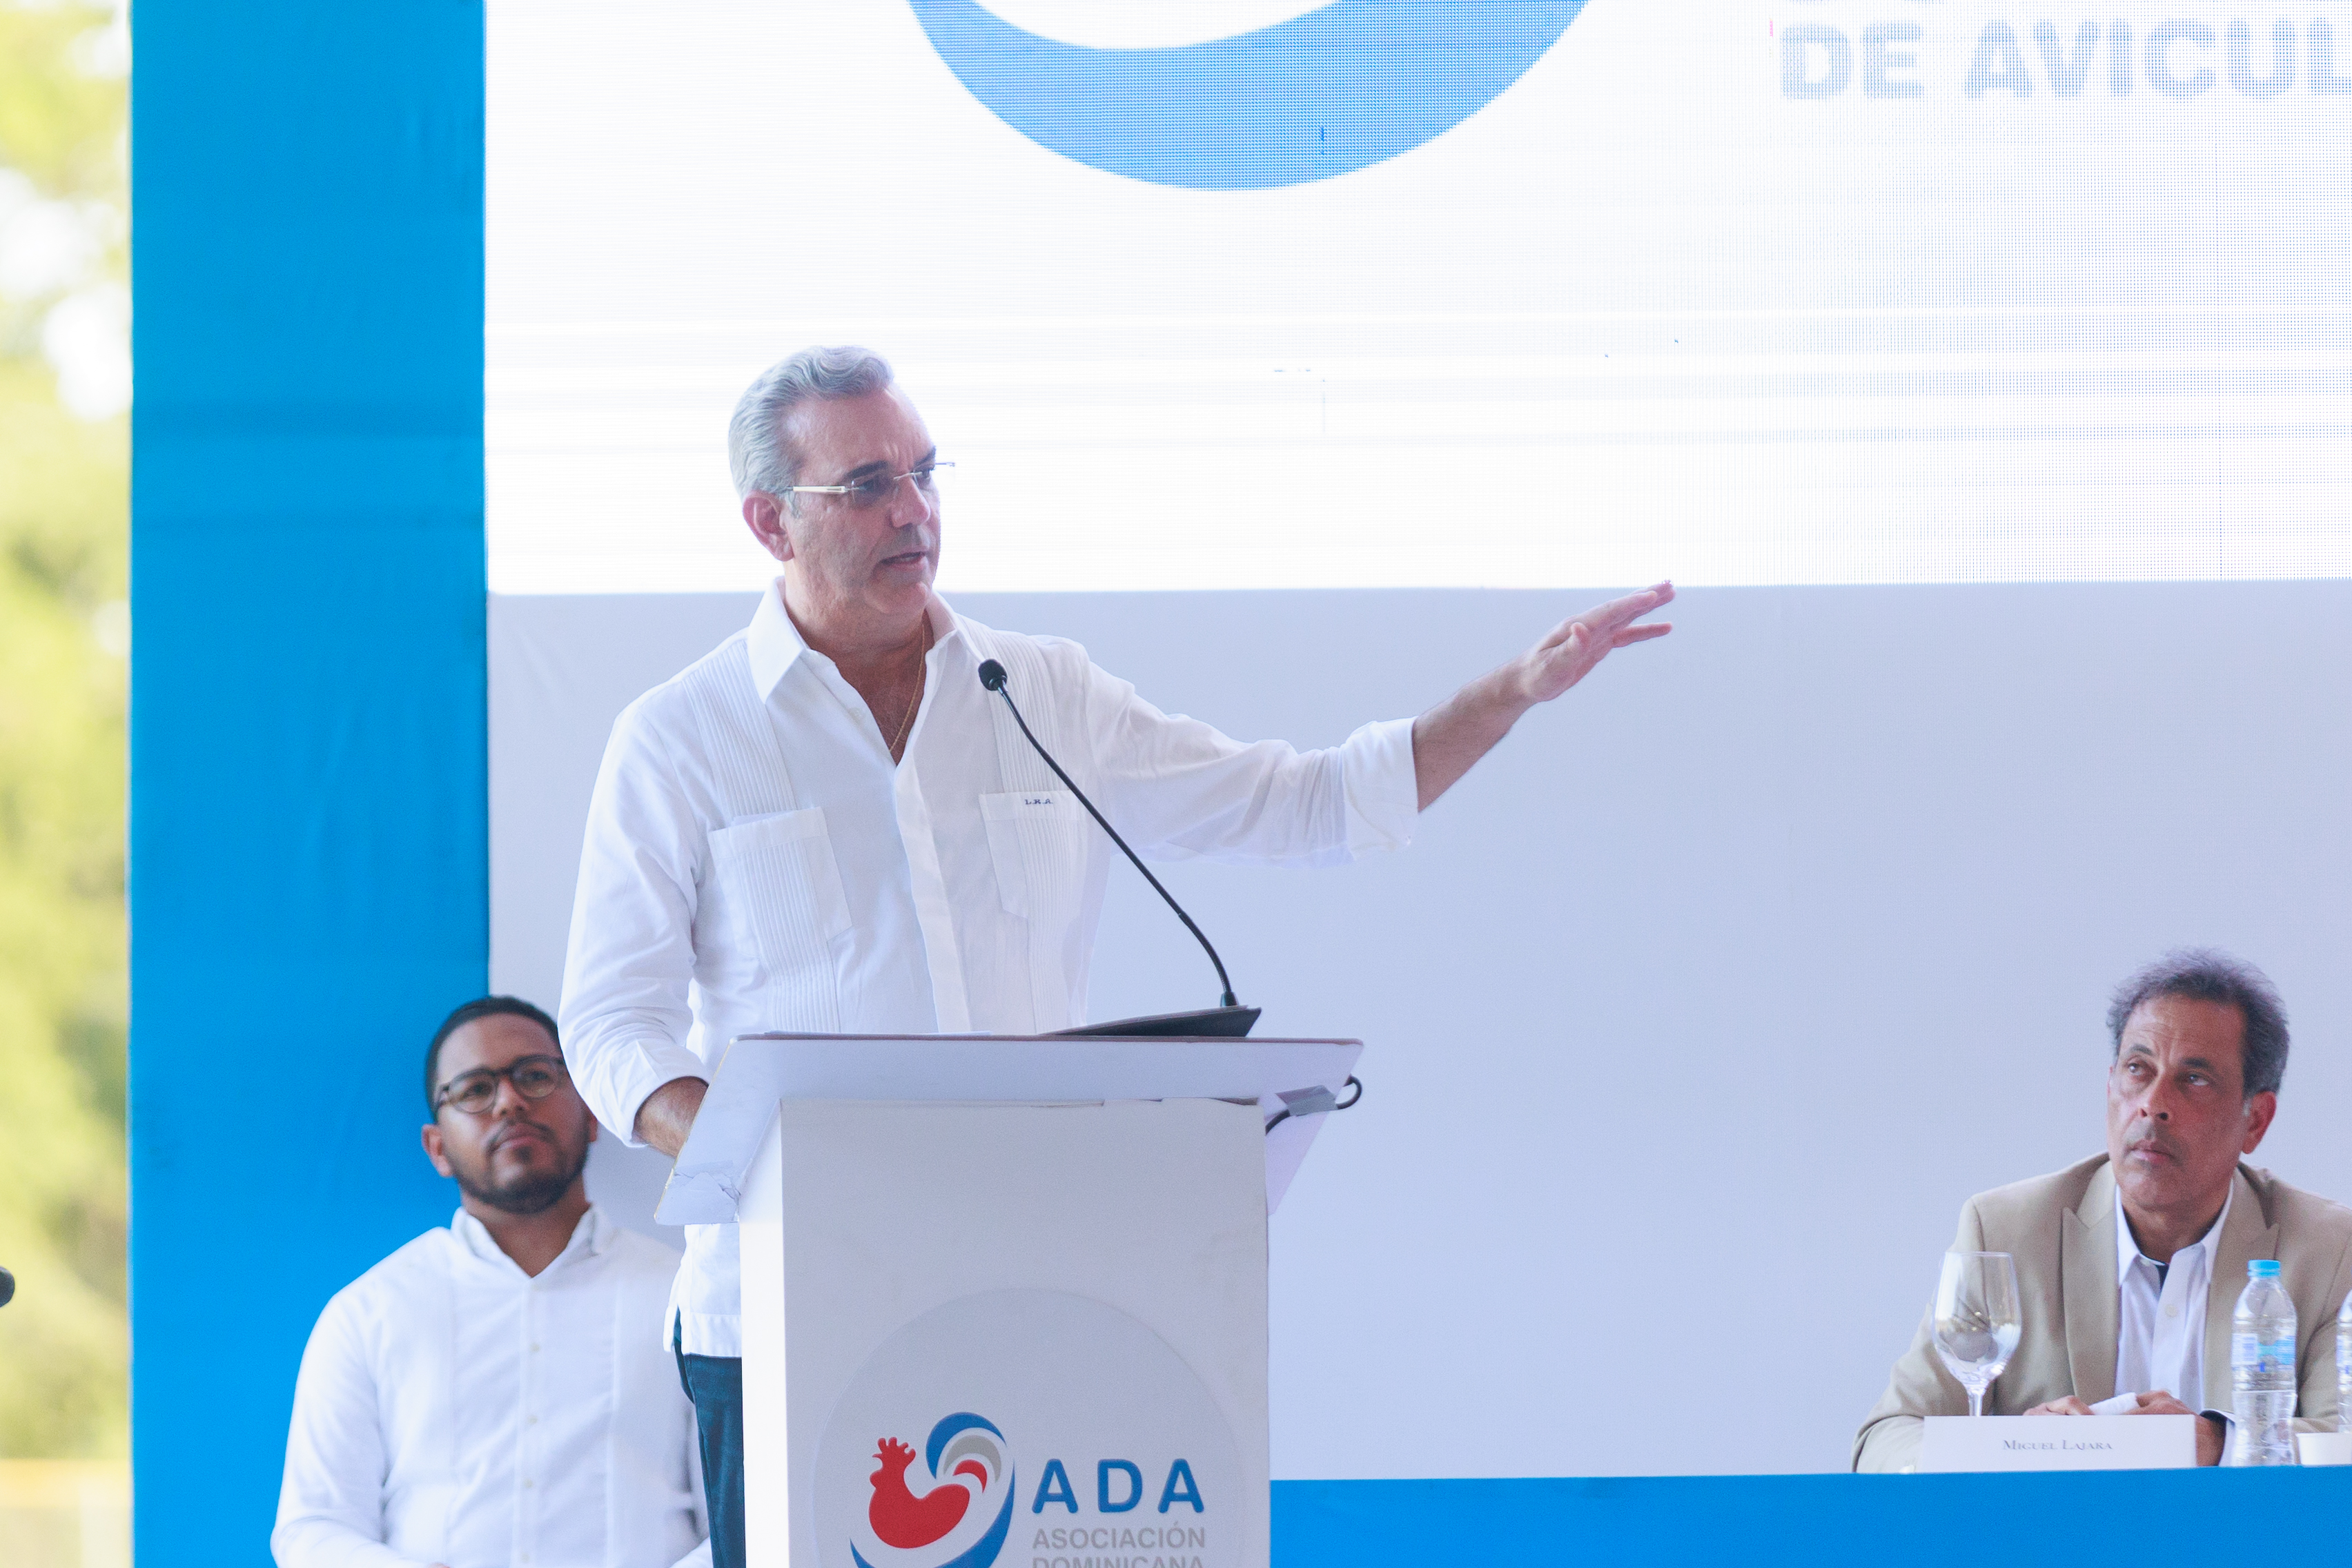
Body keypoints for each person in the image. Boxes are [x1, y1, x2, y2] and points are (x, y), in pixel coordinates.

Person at [558, 344, 1675, 1567]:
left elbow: (1302, 802)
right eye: (868, 484)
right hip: (783, 1305)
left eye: (926, 472)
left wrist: (1509, 694)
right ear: (770, 521)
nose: (914, 510)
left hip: (1042, 1285)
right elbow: (610, 1026)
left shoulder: (1040, 691)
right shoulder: (681, 736)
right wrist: (756, 1153)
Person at [1854, 950, 2352, 1471]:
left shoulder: (2329, 1251)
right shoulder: (2004, 1232)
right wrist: (2012, 1448)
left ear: (2256, 1120)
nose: (2153, 1104)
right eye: (2138, 1070)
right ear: (2111, 1085)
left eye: (2194, 1079)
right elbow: (1885, 1441)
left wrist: (2220, 1444)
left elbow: (2344, 1442)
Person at [273, 997, 707, 1568]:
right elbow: (314, 1529)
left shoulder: (687, 1298)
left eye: (536, 1076)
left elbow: (746, 1521)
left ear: (590, 1114)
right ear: (437, 1148)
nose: (509, 1102)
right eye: (475, 1090)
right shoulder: (368, 1314)